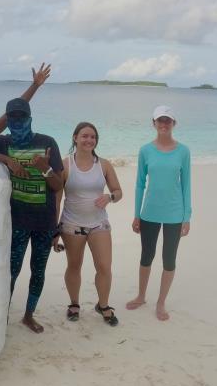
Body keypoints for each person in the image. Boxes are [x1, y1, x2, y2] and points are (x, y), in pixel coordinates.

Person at [0, 98, 63, 333]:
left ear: (30, 118)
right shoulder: (4, 142)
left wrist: (44, 168)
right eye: (13, 117)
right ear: (7, 120)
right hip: (17, 222)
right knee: (11, 271)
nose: (17, 121)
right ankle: (2, 315)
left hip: (44, 223)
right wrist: (7, 159)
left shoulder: (47, 142)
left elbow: (58, 185)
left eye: (21, 116)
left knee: (38, 270)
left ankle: (28, 316)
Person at [53, 122, 122, 326]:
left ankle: (103, 305)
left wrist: (109, 197)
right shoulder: (65, 165)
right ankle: (74, 304)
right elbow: (57, 199)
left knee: (104, 267)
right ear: (75, 138)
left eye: (93, 137)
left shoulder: (105, 165)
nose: (89, 140)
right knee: (74, 265)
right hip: (71, 224)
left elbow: (118, 192)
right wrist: (54, 229)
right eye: (84, 136)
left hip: (99, 223)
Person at [126, 105, 191, 321]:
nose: (164, 124)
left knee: (169, 259)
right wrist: (137, 214)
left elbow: (186, 186)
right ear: (153, 123)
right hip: (149, 212)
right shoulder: (145, 150)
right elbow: (139, 184)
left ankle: (161, 302)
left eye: (168, 121)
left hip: (174, 213)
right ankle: (141, 296)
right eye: (160, 120)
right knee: (147, 256)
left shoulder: (183, 152)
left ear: (174, 124)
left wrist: (186, 217)